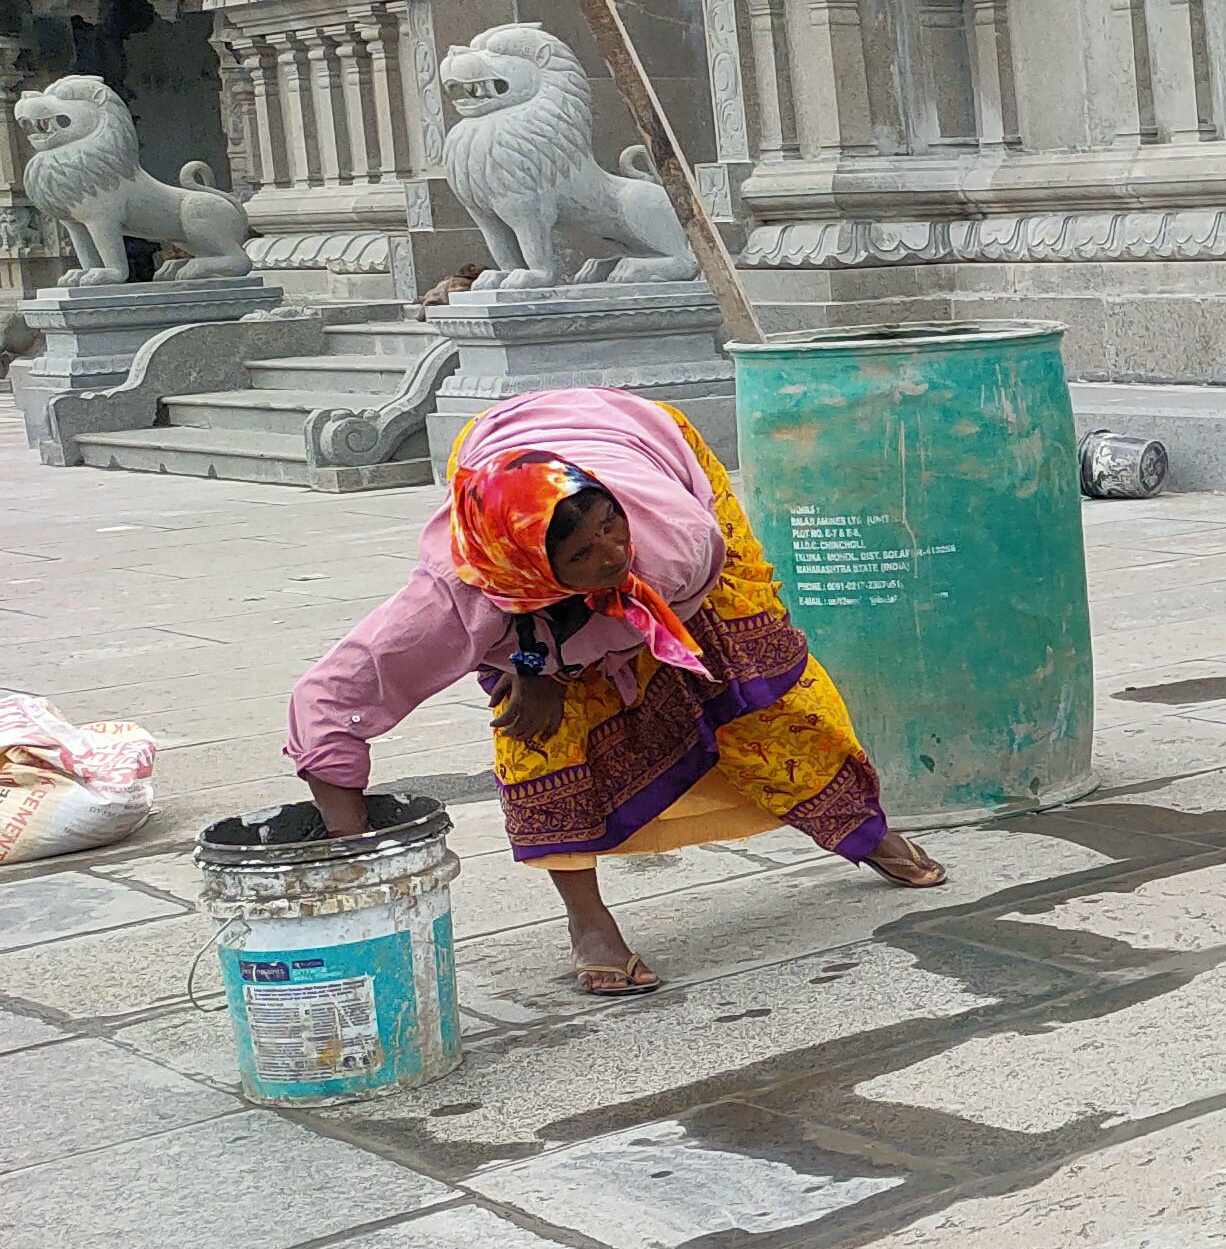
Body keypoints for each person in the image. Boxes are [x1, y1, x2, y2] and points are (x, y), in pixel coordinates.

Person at [287, 388, 944, 997]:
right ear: (536, 570)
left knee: (748, 682)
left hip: (641, 444)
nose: (611, 555)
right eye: (584, 553)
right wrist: (353, 863)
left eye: (610, 528)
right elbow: (326, 705)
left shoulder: (676, 544)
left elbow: (656, 618)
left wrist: (554, 664)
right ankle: (589, 923)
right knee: (537, 737)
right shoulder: (453, 600)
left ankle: (861, 827)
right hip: (504, 487)